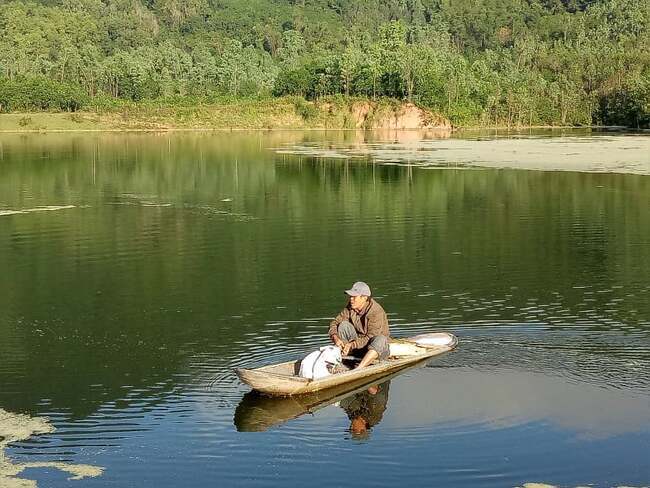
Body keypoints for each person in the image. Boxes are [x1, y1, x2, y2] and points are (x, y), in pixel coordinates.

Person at [328, 281, 390, 369]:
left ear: (364, 298)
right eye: (350, 297)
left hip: (377, 350)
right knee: (343, 325)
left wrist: (351, 345)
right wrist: (335, 337)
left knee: (381, 339)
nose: (351, 299)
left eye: (354, 297)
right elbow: (335, 323)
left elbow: (370, 336)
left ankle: (359, 368)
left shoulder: (376, 311)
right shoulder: (350, 307)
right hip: (359, 346)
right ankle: (345, 360)